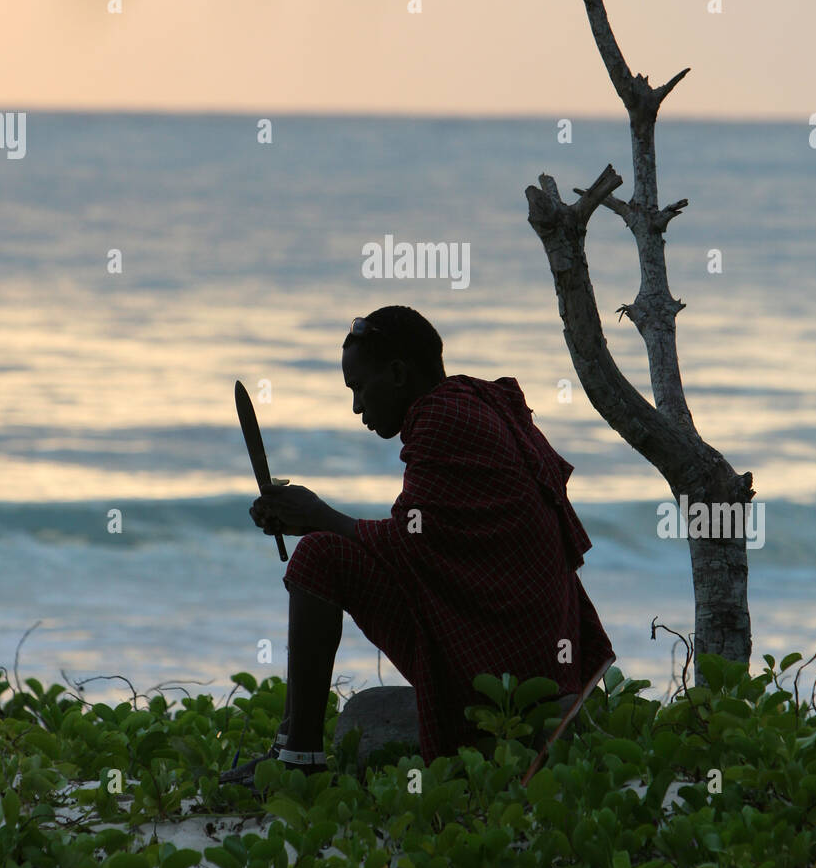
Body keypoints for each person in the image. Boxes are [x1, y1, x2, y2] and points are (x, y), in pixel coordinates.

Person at [223, 305, 615, 783]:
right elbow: (431, 539)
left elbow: (409, 542)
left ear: (397, 373)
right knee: (326, 547)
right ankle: (293, 749)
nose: (356, 408)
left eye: (359, 388)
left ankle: (298, 758)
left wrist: (316, 517)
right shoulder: (473, 401)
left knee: (320, 557)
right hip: (531, 647)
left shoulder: (441, 419)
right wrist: (312, 517)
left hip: (507, 663)